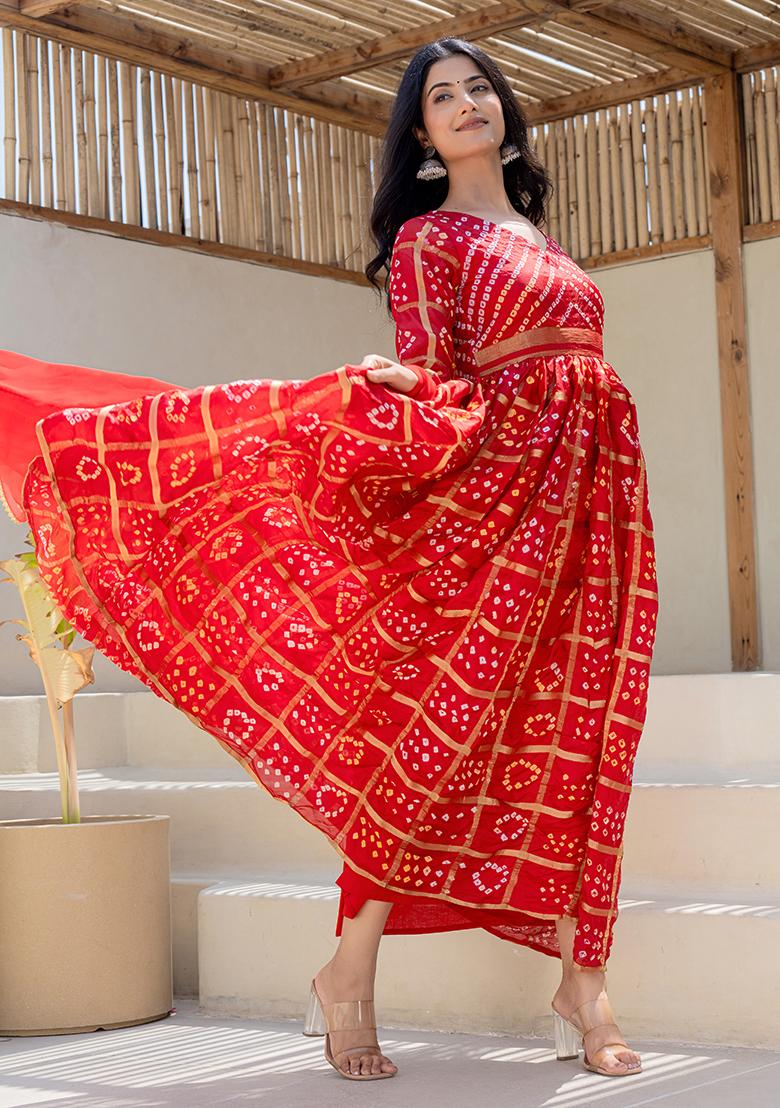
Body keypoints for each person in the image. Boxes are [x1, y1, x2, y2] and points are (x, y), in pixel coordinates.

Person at [0, 36, 656, 1085]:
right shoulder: (429, 242)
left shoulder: (542, 235)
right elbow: (445, 380)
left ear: (503, 110)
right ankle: (348, 974)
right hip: (490, 506)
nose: (466, 103)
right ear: (424, 139)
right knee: (423, 739)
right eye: (440, 97)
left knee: (583, 727)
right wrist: (396, 377)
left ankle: (587, 981)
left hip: (591, 506)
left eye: (478, 86)